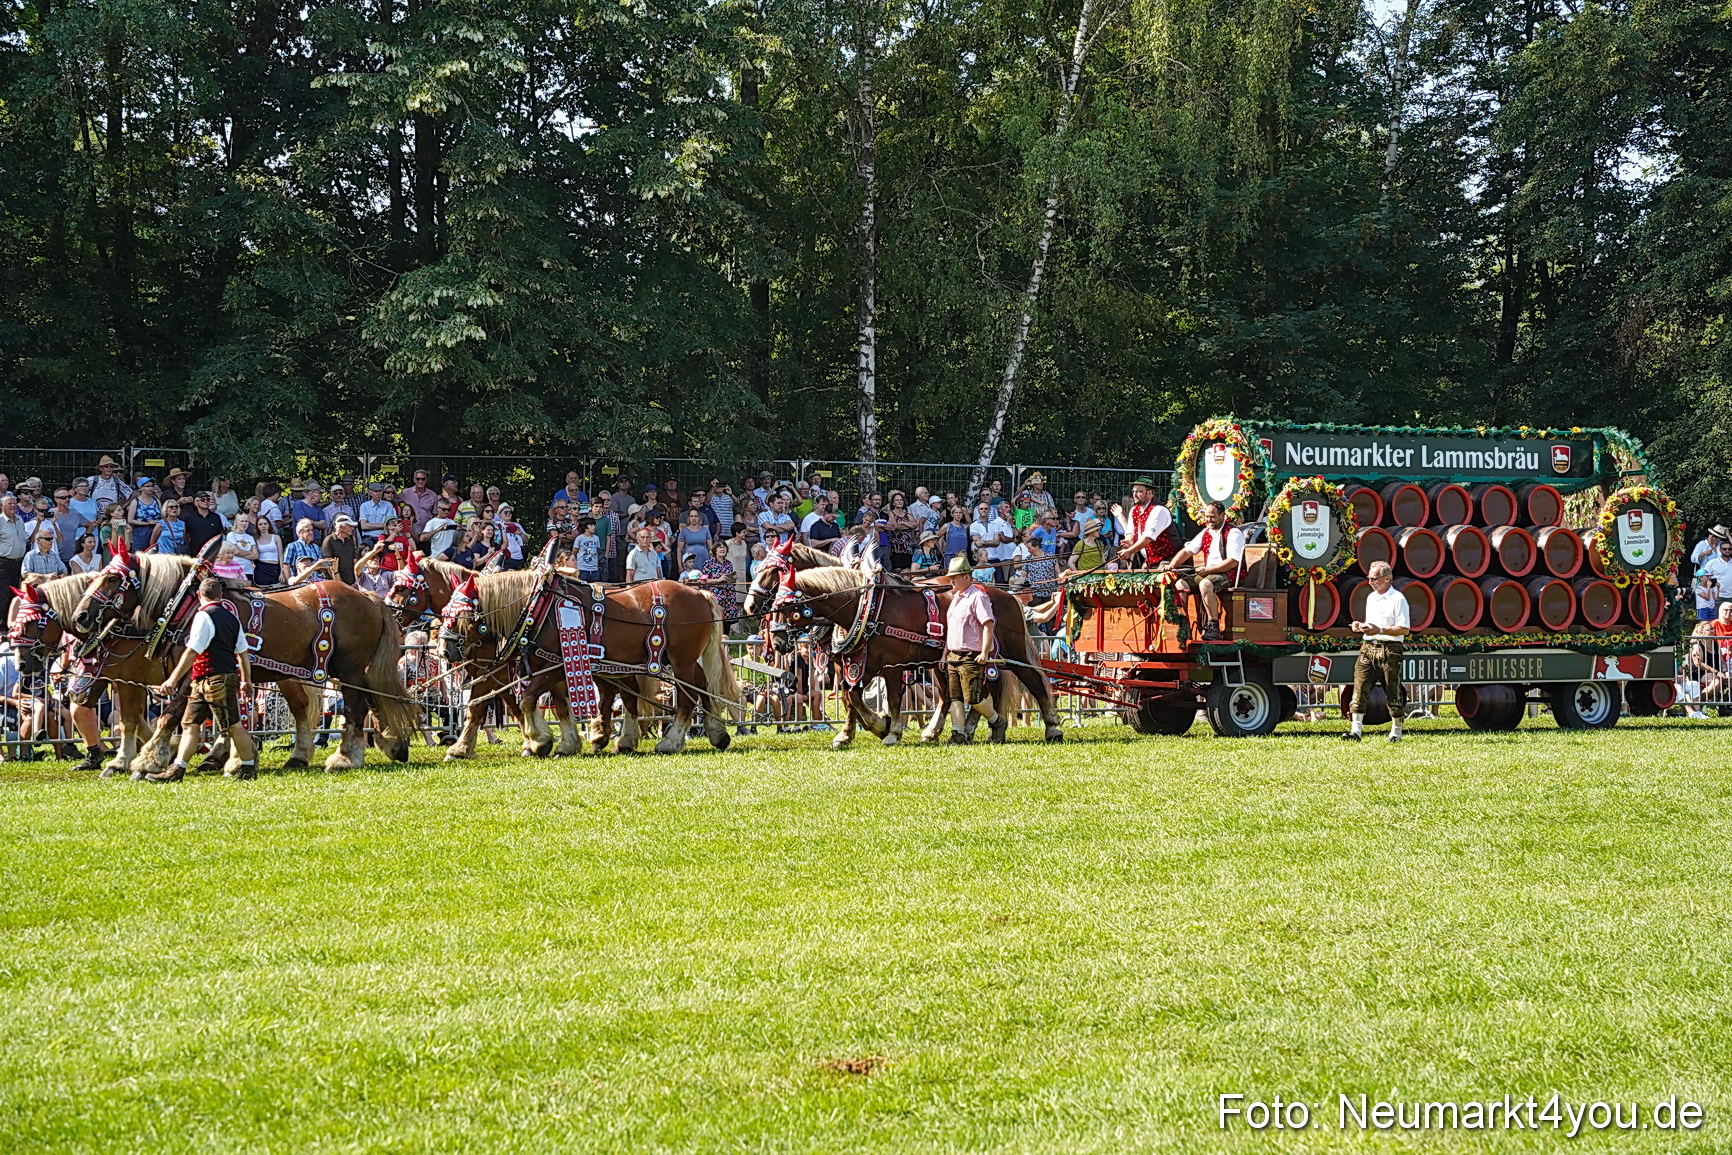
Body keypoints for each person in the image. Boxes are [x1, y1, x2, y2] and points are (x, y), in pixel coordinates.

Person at [148, 577, 256, 781]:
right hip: (206, 680)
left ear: (199, 595)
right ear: (221, 595)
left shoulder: (203, 616)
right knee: (190, 724)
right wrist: (246, 680)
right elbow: (242, 652)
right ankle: (177, 770)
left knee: (232, 725)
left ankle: (248, 768)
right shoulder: (232, 618)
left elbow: (192, 651)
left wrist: (172, 679)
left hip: (214, 679)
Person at [1342, 560, 1410, 742]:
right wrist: (1360, 626)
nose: (1370, 582)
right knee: (1359, 688)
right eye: (1369, 579)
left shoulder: (1398, 599)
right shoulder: (1371, 598)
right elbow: (1371, 625)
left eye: (1374, 579)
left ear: (1387, 579)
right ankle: (1355, 731)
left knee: (1392, 691)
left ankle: (1396, 732)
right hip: (1368, 647)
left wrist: (1379, 630)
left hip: (1390, 649)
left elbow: (1404, 629)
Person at [1157, 500, 1243, 641]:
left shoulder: (1233, 533)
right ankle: (1183, 626)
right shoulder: (1206, 532)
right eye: (1207, 517)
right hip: (1209, 572)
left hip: (1229, 573)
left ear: (1222, 515)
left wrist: (1208, 569)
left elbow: (1233, 562)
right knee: (1180, 585)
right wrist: (1171, 566)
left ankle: (1212, 626)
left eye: (1212, 517)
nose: (1208, 520)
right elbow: (1187, 551)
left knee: (1205, 584)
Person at [938, 556, 1002, 744]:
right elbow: (952, 629)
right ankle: (958, 734)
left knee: (973, 697)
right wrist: (945, 655)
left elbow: (988, 625)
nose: (951, 581)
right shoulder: (956, 599)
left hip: (971, 655)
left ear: (967, 576)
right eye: (951, 577)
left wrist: (984, 652)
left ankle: (997, 722)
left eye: (955, 577)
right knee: (955, 697)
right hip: (953, 654)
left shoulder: (978, 597)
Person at [1112, 477, 1178, 568]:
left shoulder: (1159, 510)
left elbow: (1148, 538)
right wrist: (1128, 541)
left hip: (1168, 560)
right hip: (1149, 561)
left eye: (1139, 491)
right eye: (1133, 491)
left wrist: (1129, 551)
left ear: (1150, 493)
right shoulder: (1134, 510)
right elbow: (1131, 533)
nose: (1134, 495)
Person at [1693, 537, 1732, 621]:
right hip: (1717, 597)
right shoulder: (1712, 563)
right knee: (1716, 622)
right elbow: (1704, 578)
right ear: (1720, 550)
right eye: (1724, 549)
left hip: (1731, 596)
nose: (1727, 550)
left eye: (1729, 549)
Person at [48, 486, 89, 563]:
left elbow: (90, 526)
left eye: (68, 497)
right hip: (52, 556)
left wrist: (80, 541)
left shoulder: (75, 513)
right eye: (63, 497)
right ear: (56, 499)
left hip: (71, 556)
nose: (67, 499)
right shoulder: (50, 513)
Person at [320, 514, 364, 583]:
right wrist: (340, 582)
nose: (352, 528)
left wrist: (357, 581)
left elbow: (354, 561)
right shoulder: (328, 541)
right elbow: (327, 564)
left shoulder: (350, 541)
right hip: (337, 585)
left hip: (353, 583)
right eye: (349, 526)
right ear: (340, 527)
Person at [400, 469, 440, 537]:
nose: (420, 481)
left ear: (426, 480)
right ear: (414, 479)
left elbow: (435, 515)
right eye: (418, 479)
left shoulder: (433, 495)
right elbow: (393, 502)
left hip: (427, 532)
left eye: (423, 479)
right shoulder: (405, 493)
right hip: (410, 531)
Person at [126, 481, 163, 553]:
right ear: (141, 488)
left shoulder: (156, 501)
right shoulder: (136, 501)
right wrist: (146, 523)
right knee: (139, 555)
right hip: (140, 532)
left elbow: (162, 516)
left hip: (156, 530)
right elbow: (130, 520)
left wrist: (156, 522)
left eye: (152, 486)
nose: (151, 488)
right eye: (148, 486)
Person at [885, 490, 919, 571]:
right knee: (897, 569)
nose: (899, 502)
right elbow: (894, 526)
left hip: (907, 547)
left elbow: (915, 525)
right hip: (895, 547)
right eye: (897, 500)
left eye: (901, 500)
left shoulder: (908, 514)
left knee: (906, 569)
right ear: (893, 503)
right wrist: (908, 526)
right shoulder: (890, 514)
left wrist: (903, 522)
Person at [223, 513, 260, 581]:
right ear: (236, 522)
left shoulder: (250, 537)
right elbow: (236, 551)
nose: (244, 523)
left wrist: (240, 554)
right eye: (242, 521)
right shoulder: (231, 535)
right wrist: (250, 552)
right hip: (234, 570)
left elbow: (256, 555)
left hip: (248, 570)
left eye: (246, 521)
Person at [253, 516, 283, 584]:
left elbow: (281, 556)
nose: (263, 526)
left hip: (275, 567)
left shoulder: (276, 537)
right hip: (261, 567)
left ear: (269, 525)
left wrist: (282, 572)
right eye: (260, 524)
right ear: (257, 526)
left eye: (265, 523)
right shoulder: (256, 540)